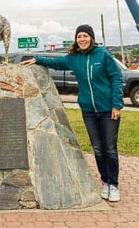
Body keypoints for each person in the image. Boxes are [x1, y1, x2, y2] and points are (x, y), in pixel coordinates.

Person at [22, 24, 124, 202]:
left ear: (91, 38)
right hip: (88, 110)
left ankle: (113, 184)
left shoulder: (103, 55)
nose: (82, 39)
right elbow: (56, 62)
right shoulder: (74, 58)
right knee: (98, 149)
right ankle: (105, 181)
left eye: (85, 36)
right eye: (79, 37)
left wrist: (117, 104)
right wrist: (37, 59)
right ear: (76, 40)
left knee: (110, 148)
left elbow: (116, 78)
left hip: (108, 109)